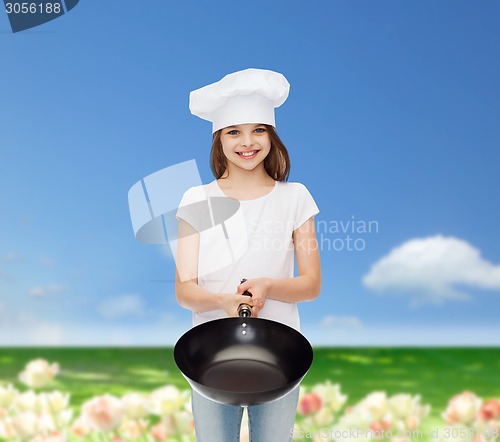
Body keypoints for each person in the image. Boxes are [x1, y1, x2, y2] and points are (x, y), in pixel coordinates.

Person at [175, 68, 321, 442]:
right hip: (212, 353)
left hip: (279, 355)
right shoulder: (197, 200)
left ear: (271, 136)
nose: (247, 142)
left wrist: (269, 286)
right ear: (218, 139)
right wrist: (223, 301)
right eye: (233, 132)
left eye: (258, 130)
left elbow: (310, 285)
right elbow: (185, 290)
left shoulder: (295, 198)